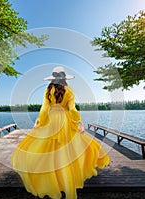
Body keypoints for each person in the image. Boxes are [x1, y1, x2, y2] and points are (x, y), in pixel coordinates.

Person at [11, 66, 109, 199]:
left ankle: (52, 178)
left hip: (51, 120)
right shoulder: (69, 90)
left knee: (47, 148)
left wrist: (39, 121)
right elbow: (72, 109)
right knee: (67, 149)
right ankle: (66, 180)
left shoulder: (48, 90)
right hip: (65, 121)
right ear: (64, 78)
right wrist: (79, 122)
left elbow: (45, 108)